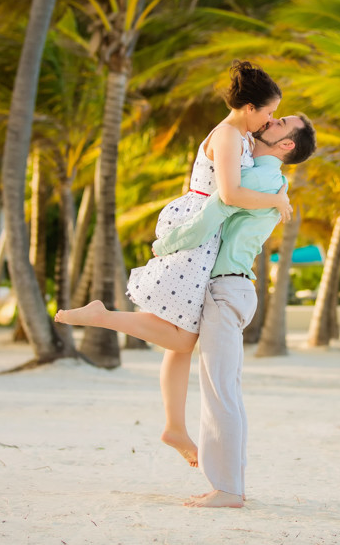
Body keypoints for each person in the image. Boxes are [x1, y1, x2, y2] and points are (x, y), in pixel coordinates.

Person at [60, 113, 317, 508]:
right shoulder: (269, 179)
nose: (272, 120)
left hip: (226, 288)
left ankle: (228, 489)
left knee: (220, 393)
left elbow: (212, 213)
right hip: (229, 288)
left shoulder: (259, 180)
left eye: (281, 122)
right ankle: (202, 457)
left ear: (287, 146)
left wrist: (164, 246)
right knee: (186, 350)